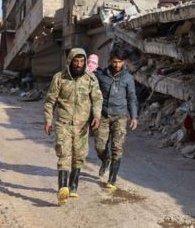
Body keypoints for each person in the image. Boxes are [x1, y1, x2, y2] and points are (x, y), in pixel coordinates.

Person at [44, 48, 102, 205]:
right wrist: (48, 120)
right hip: (63, 124)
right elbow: (50, 101)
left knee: (79, 155)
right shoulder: (59, 78)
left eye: (82, 61)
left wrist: (96, 116)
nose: (79, 64)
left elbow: (97, 99)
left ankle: (73, 186)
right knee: (64, 154)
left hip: (82, 126)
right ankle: (62, 189)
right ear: (70, 61)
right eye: (76, 61)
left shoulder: (91, 79)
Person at [93, 46, 138, 189]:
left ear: (124, 62)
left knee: (117, 147)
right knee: (100, 146)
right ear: (110, 61)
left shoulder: (128, 78)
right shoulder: (102, 75)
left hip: (120, 116)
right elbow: (94, 94)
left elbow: (132, 98)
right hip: (104, 115)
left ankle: (112, 178)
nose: (117, 65)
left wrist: (134, 116)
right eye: (114, 61)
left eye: (119, 62)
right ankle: (105, 160)